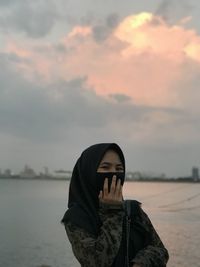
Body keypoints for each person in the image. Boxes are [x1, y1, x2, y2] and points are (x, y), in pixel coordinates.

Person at [61, 143, 169, 267]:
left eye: (119, 169)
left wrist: (141, 263)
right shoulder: (77, 218)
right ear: (89, 172)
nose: (113, 173)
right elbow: (98, 262)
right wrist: (113, 212)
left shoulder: (132, 210)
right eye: (105, 167)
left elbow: (161, 251)